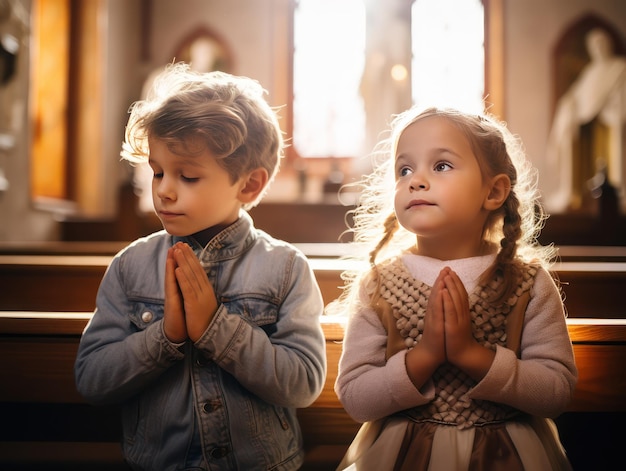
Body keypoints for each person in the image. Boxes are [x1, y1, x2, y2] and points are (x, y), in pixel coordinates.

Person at [74, 63, 327, 471]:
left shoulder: (285, 269)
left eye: (187, 176)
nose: (164, 190)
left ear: (249, 185)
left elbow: (302, 382)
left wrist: (216, 329)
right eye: (157, 172)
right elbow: (92, 379)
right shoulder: (130, 267)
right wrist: (166, 336)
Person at [331, 107, 578, 470]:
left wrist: (469, 353)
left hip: (507, 452)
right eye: (404, 169)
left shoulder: (527, 284)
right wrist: (425, 356)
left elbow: (555, 392)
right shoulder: (378, 286)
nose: (415, 180)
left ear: (493, 191)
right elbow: (355, 398)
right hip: (404, 452)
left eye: (441, 166)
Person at [545, 27, 626, 213]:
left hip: (612, 121)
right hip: (587, 128)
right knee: (568, 126)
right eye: (594, 45)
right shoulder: (590, 72)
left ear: (609, 44)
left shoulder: (620, 68)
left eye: (601, 43)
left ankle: (619, 192)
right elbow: (576, 96)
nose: (598, 47)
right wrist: (569, 105)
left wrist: (608, 108)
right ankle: (572, 192)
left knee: (616, 129)